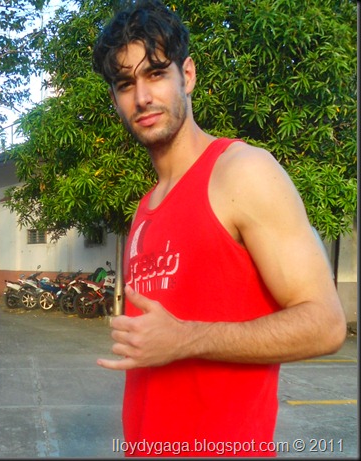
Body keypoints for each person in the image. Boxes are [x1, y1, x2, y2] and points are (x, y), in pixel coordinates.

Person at [92, 0, 346, 457]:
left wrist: (186, 339)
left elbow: (326, 325)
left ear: (187, 75)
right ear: (115, 100)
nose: (142, 97)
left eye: (156, 73)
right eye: (125, 84)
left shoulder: (242, 172)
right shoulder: (145, 208)